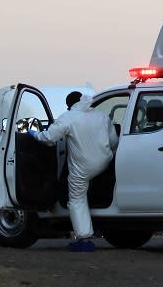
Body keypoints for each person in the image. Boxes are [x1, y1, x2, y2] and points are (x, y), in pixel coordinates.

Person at [28, 91, 118, 252]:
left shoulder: (69, 117)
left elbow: (49, 138)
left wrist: (34, 134)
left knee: (76, 199)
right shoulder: (102, 116)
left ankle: (84, 239)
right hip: (105, 162)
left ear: (69, 105)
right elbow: (114, 142)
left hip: (83, 167)